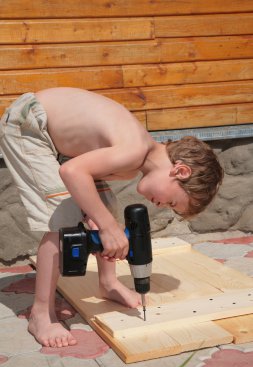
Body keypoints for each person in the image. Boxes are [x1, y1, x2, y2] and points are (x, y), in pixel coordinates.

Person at [0, 87, 223, 348]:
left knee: (105, 206)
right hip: (30, 125)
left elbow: (85, 185)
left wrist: (100, 218)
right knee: (63, 218)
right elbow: (72, 172)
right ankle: (41, 313)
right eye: (172, 202)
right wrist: (104, 226)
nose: (162, 206)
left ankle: (108, 283)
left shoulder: (131, 166)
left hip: (58, 140)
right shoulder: (133, 150)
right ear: (180, 171)